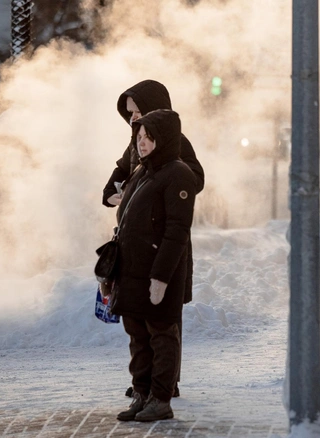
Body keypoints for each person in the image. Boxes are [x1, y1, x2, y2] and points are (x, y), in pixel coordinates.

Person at [103, 80, 204, 399]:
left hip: (163, 242)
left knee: (165, 317)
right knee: (141, 314)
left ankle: (166, 383)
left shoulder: (175, 142)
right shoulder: (136, 142)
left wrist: (158, 188)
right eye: (129, 113)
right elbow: (121, 171)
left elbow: (194, 177)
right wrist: (112, 193)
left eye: (139, 111)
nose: (133, 119)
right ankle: (145, 382)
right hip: (136, 244)